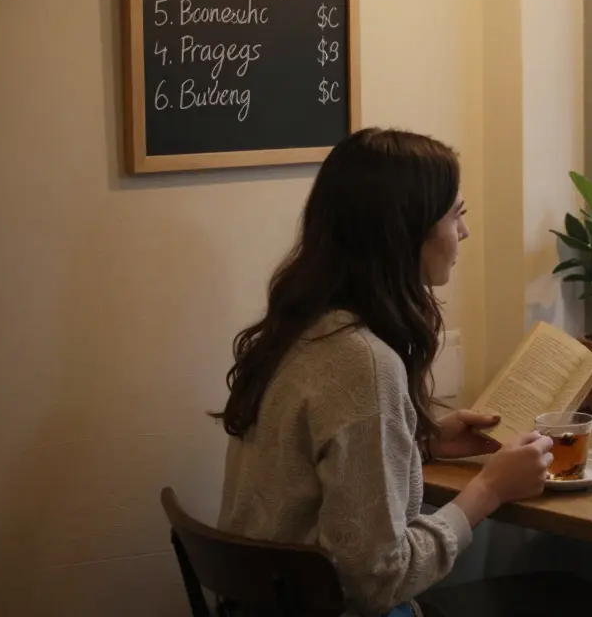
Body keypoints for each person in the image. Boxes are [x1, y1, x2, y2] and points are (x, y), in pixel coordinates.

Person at [213, 128, 555, 617]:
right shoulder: (364, 362)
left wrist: (423, 444)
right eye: (455, 215)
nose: (463, 233)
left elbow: (319, 474)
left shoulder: (300, 328)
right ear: (405, 231)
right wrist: (489, 490)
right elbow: (376, 580)